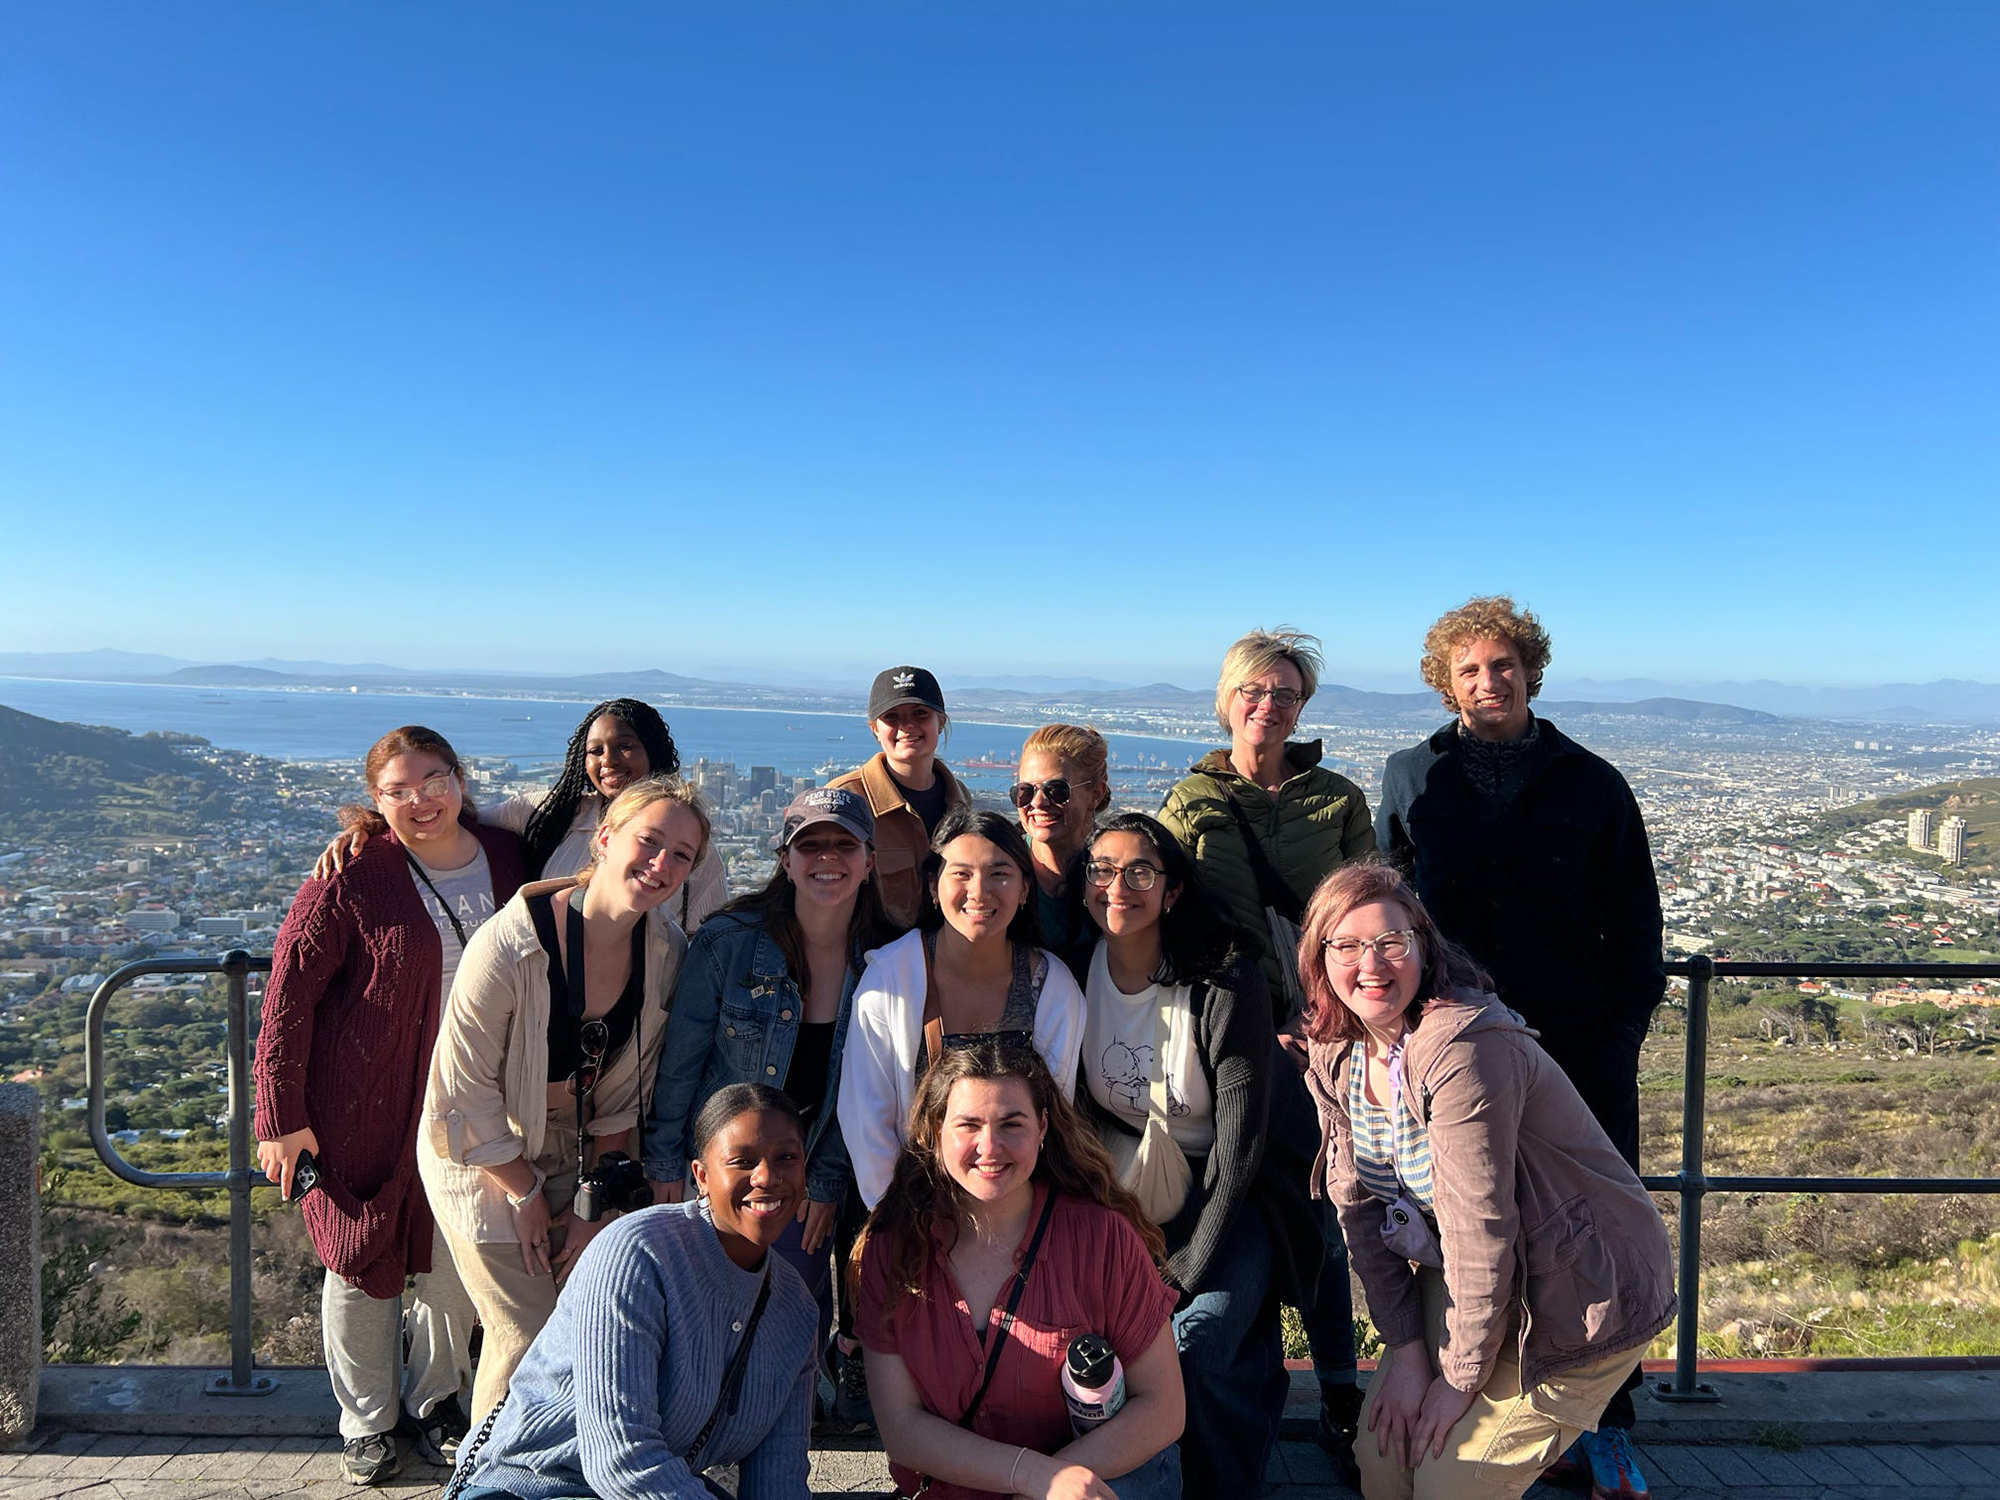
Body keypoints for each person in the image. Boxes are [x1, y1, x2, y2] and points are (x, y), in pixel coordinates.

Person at [1375, 596, 1666, 1499]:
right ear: (1445, 681)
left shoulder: (1592, 784)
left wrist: (1616, 1043)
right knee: (1466, 1221)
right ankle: (1478, 1400)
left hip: (1577, 1048)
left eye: (1502, 666)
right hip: (1452, 1050)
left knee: (1591, 1240)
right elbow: (1388, 911)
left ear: (1531, 673)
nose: (1487, 682)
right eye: (1469, 669)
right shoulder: (1410, 778)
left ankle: (1604, 1422)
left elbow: (1638, 931)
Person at [1299, 861, 1676, 1500]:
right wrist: (1410, 1357)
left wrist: (1457, 1381)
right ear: (1319, 958)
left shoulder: (1463, 1050)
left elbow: (1482, 1226)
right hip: (1471, 1278)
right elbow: (1359, 1214)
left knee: (1451, 1483)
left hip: (1577, 1290)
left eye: (1391, 942)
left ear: (1423, 945)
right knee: (1386, 1465)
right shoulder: (1338, 1050)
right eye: (1347, 945)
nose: (1371, 963)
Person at [254, 725, 524, 1484]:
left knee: (455, 1259)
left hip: (474, 1101)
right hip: (361, 1105)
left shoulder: (506, 858)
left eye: (432, 780)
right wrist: (280, 1118)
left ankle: (438, 1399)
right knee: (359, 1258)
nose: (420, 800)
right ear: (374, 802)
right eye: (397, 791)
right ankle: (366, 1421)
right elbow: (287, 1002)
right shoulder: (352, 875)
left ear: (461, 779)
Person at [419, 776, 705, 1422]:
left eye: (681, 855)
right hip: (478, 1154)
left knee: (584, 1315)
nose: (661, 865)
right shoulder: (509, 945)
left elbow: (627, 1096)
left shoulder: (665, 955)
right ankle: (486, 1481)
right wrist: (521, 1190)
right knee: (525, 1331)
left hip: (579, 1156)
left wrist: (591, 1206)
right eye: (649, 841)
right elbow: (461, 1091)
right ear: (604, 839)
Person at [1154, 626, 1371, 1452]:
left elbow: (1376, 910)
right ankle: (1233, 1376)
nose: (1268, 706)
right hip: (1230, 1039)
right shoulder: (1192, 801)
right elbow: (1171, 912)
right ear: (1227, 700)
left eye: (1285, 693)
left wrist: (1329, 1019)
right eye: (1254, 691)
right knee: (1232, 1197)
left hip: (1327, 1040)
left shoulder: (1335, 799)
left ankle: (1342, 1397)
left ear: (1303, 705)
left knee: (1325, 1211)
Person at [1073, 813, 1319, 1496]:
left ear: (1173, 890)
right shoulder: (1073, 967)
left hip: (1235, 1198)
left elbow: (1241, 1149)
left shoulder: (1221, 981)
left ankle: (1224, 1482)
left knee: (1198, 1344)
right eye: (1102, 870)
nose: (1117, 887)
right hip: (1125, 1191)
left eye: (1139, 872)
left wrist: (1182, 1270)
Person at [453, 1085, 819, 1500]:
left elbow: (779, 1480)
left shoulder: (797, 1310)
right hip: (533, 1486)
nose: (767, 1177)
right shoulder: (638, 1254)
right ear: (700, 1177)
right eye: (742, 1162)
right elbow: (622, 1460)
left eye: (787, 1158)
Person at [856, 1042, 1185, 1500]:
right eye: (968, 1125)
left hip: (1095, 1483)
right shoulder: (891, 1251)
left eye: (1012, 1124)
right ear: (935, 1131)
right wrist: (1028, 1475)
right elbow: (901, 1428)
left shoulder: (1103, 1238)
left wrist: (1051, 1482)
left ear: (1043, 1128)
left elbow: (1163, 1407)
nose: (989, 1147)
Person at [642, 786, 899, 1356]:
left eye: (844, 845)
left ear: (868, 862)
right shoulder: (727, 944)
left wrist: (825, 1180)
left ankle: (788, 1421)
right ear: (785, 859)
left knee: (791, 1316)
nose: (827, 858)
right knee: (705, 1311)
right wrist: (666, 1162)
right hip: (726, 1163)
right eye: (810, 846)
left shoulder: (890, 959)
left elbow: (870, 1091)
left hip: (813, 1168)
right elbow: (682, 1065)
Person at [838, 808, 1086, 1210]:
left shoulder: (1052, 988)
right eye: (961, 874)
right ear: (933, 887)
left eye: (999, 874)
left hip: (1018, 1213)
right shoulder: (889, 979)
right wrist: (900, 1221)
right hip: (906, 1210)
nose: (979, 891)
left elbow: (1053, 1121)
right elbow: (866, 1121)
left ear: (1025, 889)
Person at [315, 697, 730, 934]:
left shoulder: (693, 851)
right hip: (538, 1008)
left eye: (625, 746)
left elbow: (706, 945)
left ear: (652, 750)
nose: (609, 761)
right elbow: (451, 820)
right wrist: (371, 825)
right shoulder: (545, 814)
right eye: (596, 750)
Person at [829, 665, 970, 928]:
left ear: (940, 722)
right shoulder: (845, 799)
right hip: (869, 960)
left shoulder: (960, 799)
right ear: (874, 729)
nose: (907, 725)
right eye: (892, 717)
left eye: (920, 713)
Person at [1013, 723, 1112, 979]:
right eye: (1026, 791)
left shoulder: (1115, 876)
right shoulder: (1002, 868)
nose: (1037, 803)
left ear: (1095, 794)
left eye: (1056, 790)